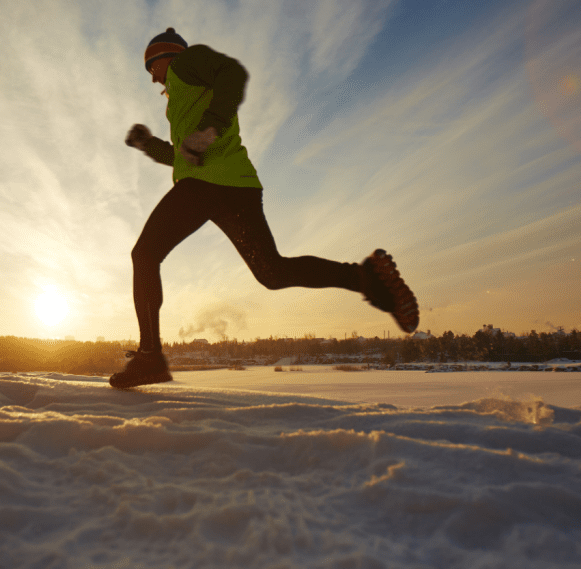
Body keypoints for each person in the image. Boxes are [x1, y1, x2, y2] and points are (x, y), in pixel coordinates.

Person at [111, 28, 419, 389]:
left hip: (206, 186)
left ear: (168, 56)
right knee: (272, 273)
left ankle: (150, 356)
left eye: (152, 66)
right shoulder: (182, 97)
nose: (152, 77)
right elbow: (183, 156)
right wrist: (149, 144)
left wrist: (209, 130)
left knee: (145, 255)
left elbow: (233, 73)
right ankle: (366, 279)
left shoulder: (187, 63)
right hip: (235, 186)